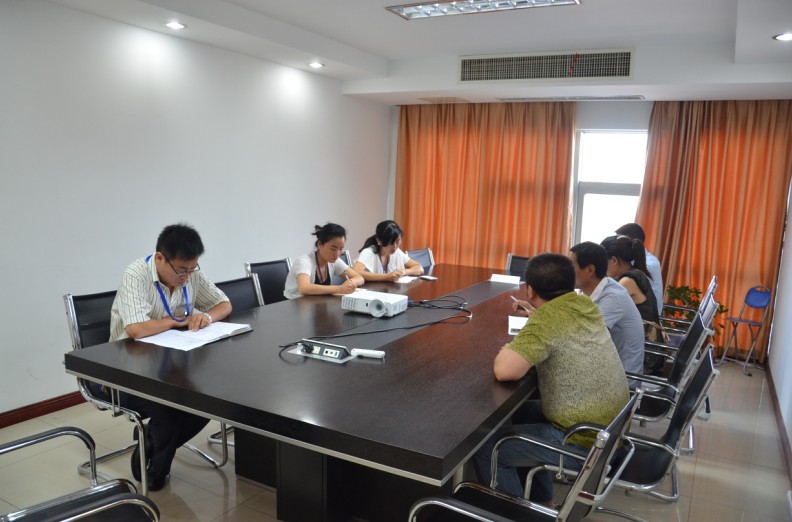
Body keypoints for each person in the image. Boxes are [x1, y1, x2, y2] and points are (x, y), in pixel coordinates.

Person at [473, 253, 629, 503]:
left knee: (487, 447)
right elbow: (556, 326)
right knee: (520, 411)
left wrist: (511, 346)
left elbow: (505, 370)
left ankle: (513, 513)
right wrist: (537, 319)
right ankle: (543, 501)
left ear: (529, 290)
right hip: (608, 430)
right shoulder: (584, 304)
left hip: (582, 440)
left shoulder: (547, 320)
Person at [109, 223, 232, 490]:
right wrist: (178, 321)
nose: (186, 276)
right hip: (128, 368)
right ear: (159, 258)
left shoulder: (190, 273)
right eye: (181, 270)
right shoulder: (136, 274)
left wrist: (206, 316)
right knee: (168, 409)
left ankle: (149, 442)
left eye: (192, 269)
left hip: (171, 363)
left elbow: (224, 304)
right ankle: (154, 472)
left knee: (208, 400)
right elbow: (137, 329)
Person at [570, 242, 644, 380]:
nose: (567, 272)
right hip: (604, 369)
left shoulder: (613, 298)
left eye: (572, 267)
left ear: (590, 270)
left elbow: (585, 339)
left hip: (619, 381)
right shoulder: (602, 287)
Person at [601, 235, 666, 374]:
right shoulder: (636, 273)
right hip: (648, 346)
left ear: (614, 260)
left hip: (647, 355)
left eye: (603, 262)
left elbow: (603, 309)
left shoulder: (626, 282)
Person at [283, 223, 364, 299]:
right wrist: (340, 288)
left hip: (316, 304)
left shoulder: (334, 260)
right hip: (294, 304)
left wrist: (350, 283)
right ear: (320, 244)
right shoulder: (304, 261)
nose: (337, 254)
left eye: (341, 249)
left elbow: (359, 278)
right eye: (333, 249)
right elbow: (304, 288)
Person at [615, 223, 664, 315]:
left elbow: (619, 292)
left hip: (647, 317)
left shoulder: (649, 264)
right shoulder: (633, 259)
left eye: (618, 239)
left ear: (629, 239)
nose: (616, 244)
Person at [352, 220, 424, 282]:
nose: (394, 247)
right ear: (379, 241)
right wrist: (386, 277)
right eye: (390, 243)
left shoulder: (397, 252)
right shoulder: (369, 252)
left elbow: (419, 268)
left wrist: (404, 272)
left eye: (397, 241)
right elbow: (356, 272)